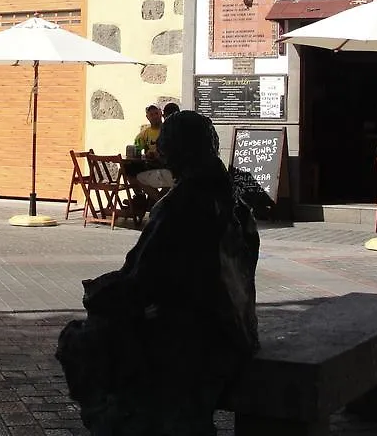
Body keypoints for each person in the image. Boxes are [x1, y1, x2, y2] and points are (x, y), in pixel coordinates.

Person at [56, 110, 261, 435]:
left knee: (81, 341)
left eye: (167, 148)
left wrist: (100, 293)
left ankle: (122, 421)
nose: (163, 154)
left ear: (176, 151)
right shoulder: (231, 198)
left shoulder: (182, 204)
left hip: (197, 336)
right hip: (235, 327)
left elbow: (144, 282)